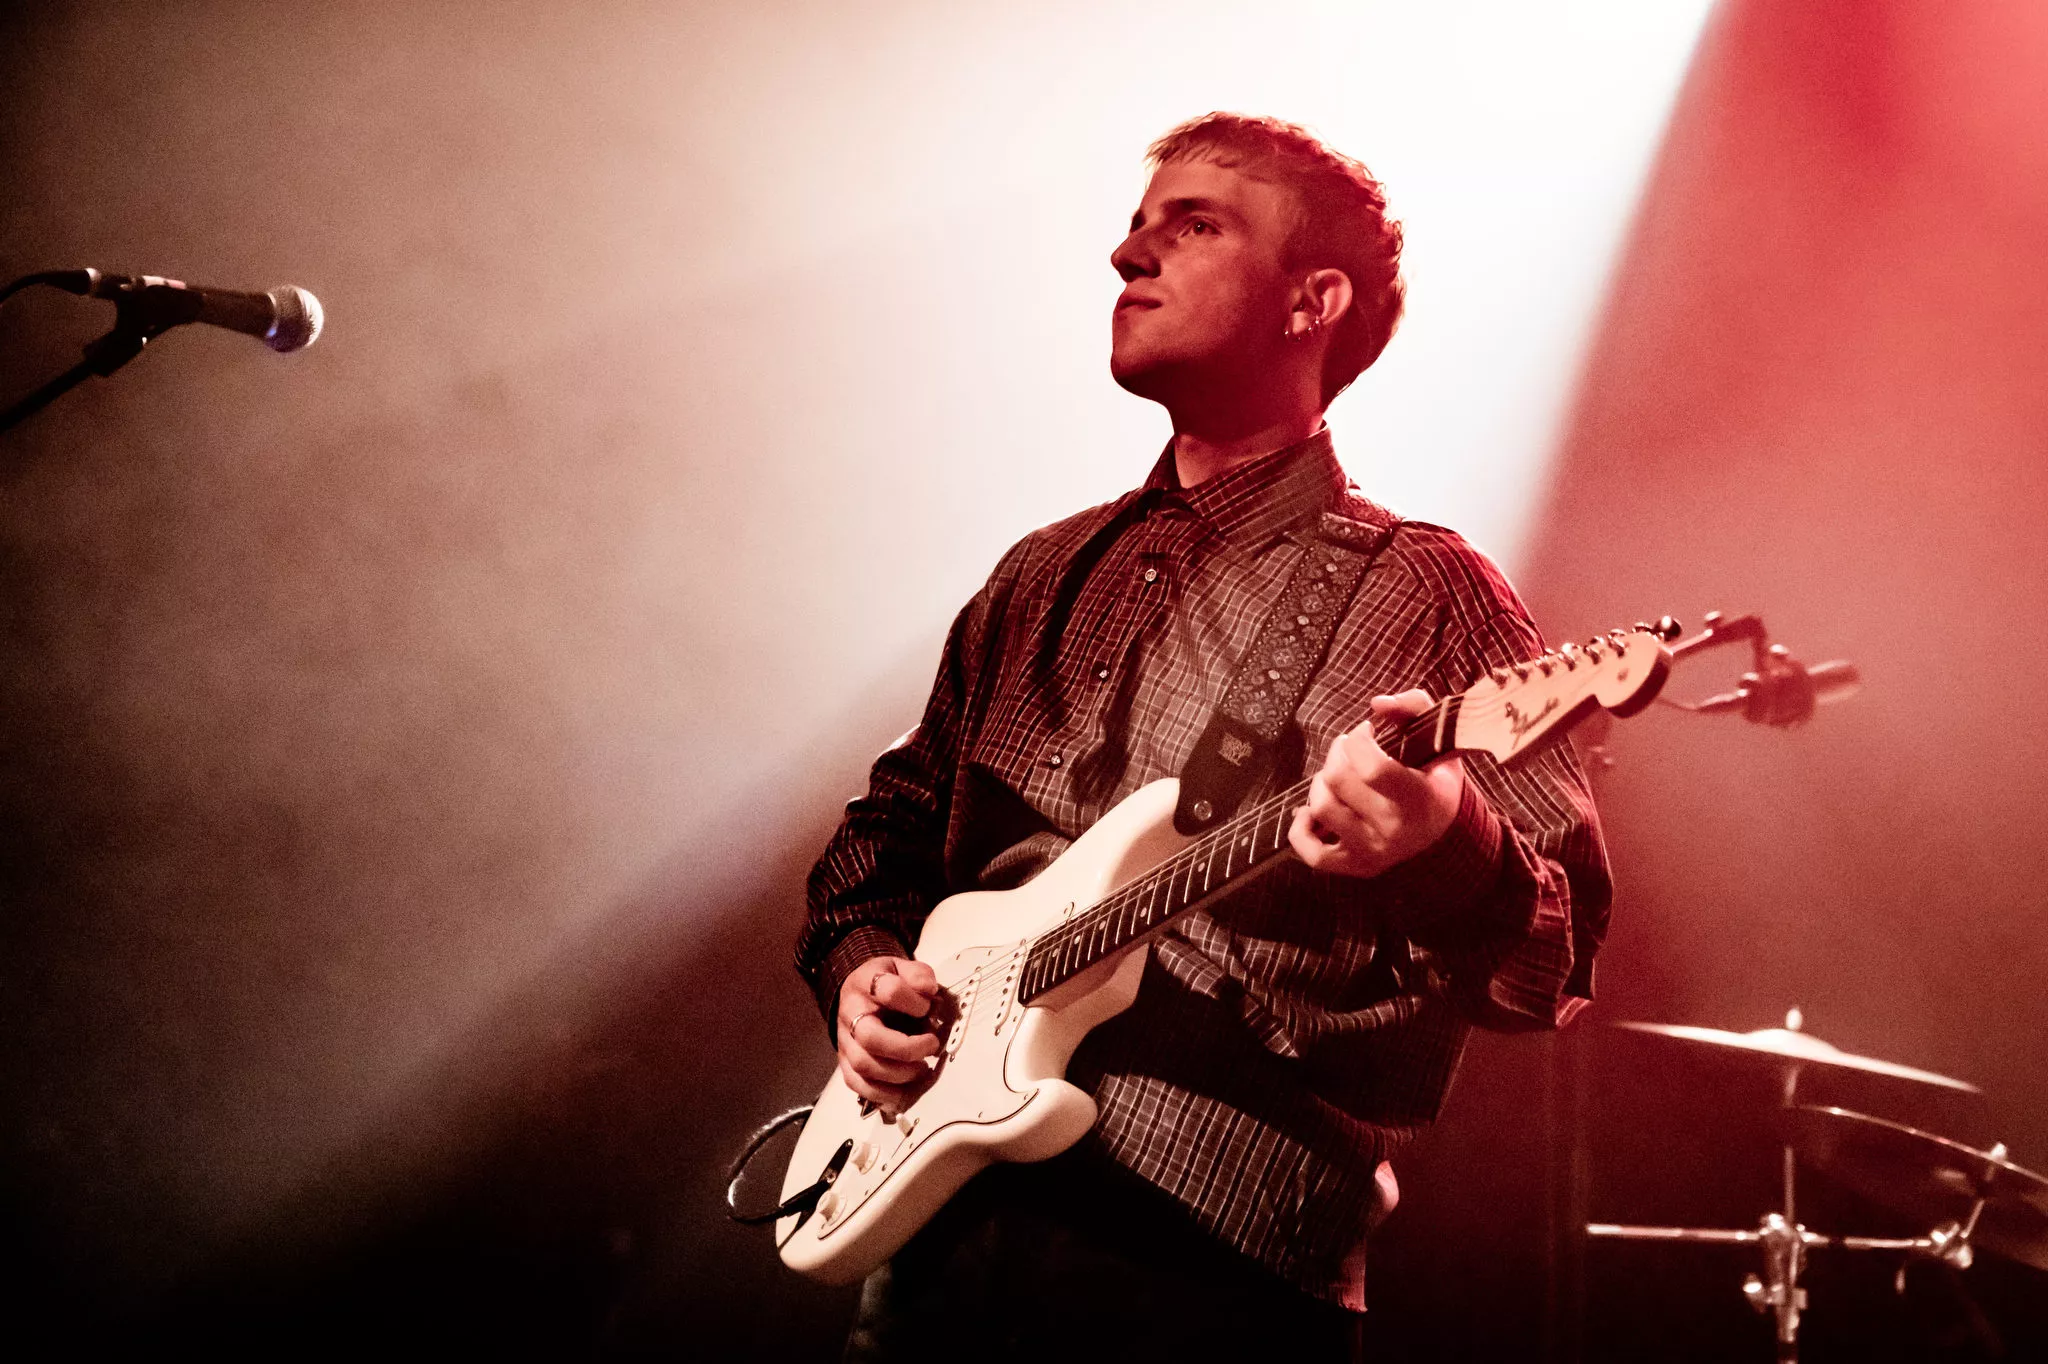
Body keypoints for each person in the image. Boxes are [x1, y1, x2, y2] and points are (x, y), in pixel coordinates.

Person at [794, 113, 1609, 1363]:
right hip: (937, 1240)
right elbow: (882, 835)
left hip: (1213, 1266)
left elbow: (1555, 962)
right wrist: (862, 974)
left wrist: (1446, 841)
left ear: (1311, 301)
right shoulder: (1039, 571)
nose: (1129, 254)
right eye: (1136, 226)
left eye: (1193, 224)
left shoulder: (1424, 590)